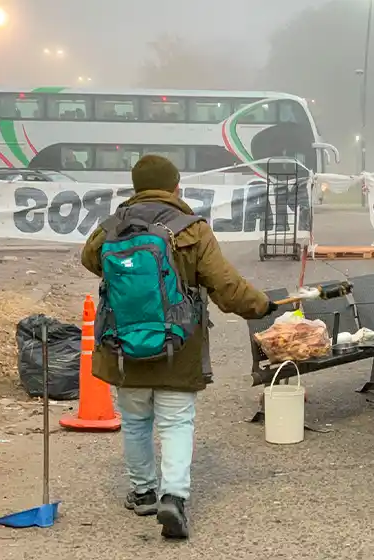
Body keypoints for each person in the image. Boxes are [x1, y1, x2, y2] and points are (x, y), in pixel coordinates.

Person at [81, 155, 277, 539]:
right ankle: (174, 496)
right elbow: (225, 285)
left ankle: (143, 493)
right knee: (175, 423)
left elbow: (91, 260)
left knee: (136, 422)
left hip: (122, 346)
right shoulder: (192, 229)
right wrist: (261, 305)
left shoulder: (112, 227)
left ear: (136, 186)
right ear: (175, 187)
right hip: (177, 345)